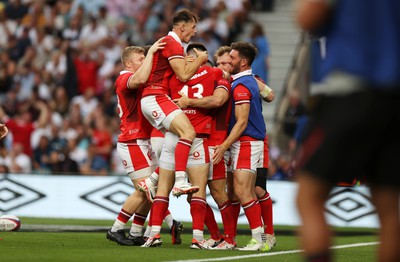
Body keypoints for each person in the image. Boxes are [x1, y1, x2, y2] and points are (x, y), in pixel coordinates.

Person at [295, 0, 400, 261]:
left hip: (351, 89)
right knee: (389, 209)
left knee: (309, 197)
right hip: (395, 94)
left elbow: (310, 16)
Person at [142, 42, 230, 249]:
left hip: (173, 137)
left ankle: (154, 234)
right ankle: (197, 238)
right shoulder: (214, 72)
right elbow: (222, 89)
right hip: (197, 138)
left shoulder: (173, 76)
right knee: (198, 193)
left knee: (163, 189)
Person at [106, 41, 183, 247]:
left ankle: (135, 231)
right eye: (140, 59)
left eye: (144, 57)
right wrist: (152, 54)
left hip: (140, 140)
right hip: (131, 141)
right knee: (144, 190)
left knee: (151, 188)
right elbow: (140, 78)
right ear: (129, 63)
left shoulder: (137, 80)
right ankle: (116, 229)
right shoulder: (124, 78)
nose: (144, 61)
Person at [139, 9, 208, 197]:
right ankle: (179, 182)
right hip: (156, 97)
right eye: (193, 27)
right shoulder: (173, 43)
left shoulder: (171, 44)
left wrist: (187, 62)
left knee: (175, 139)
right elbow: (184, 75)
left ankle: (151, 180)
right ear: (183, 26)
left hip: (153, 98)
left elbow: (176, 70)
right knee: (189, 132)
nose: (195, 32)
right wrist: (201, 59)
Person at [211, 42, 269, 252]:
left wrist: (224, 145)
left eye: (232, 59)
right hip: (244, 142)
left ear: (243, 62)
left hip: (246, 141)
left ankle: (259, 239)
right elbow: (270, 95)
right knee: (240, 192)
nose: (229, 63)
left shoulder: (243, 85)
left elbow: (242, 121)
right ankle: (240, 238)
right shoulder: (245, 81)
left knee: (243, 191)